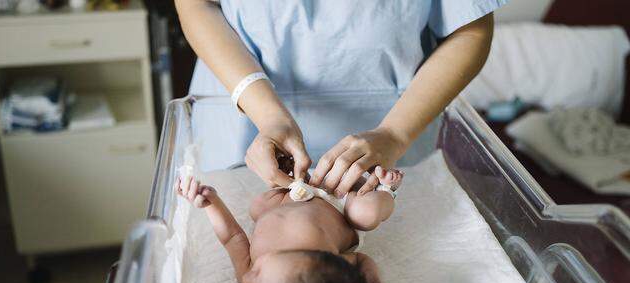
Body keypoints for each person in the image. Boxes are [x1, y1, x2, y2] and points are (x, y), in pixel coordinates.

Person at [176, 0, 506, 193]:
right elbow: (196, 5)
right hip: (242, 112)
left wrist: (394, 134)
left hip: (392, 124)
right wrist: (268, 116)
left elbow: (471, 29)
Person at [175, 164, 404, 283]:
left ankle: (289, 169)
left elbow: (232, 237)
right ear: (309, 262)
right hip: (340, 206)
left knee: (258, 207)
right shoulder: (321, 260)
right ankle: (387, 190)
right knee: (367, 214)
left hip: (292, 193)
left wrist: (211, 203)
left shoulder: (249, 275)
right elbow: (361, 259)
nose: (247, 281)